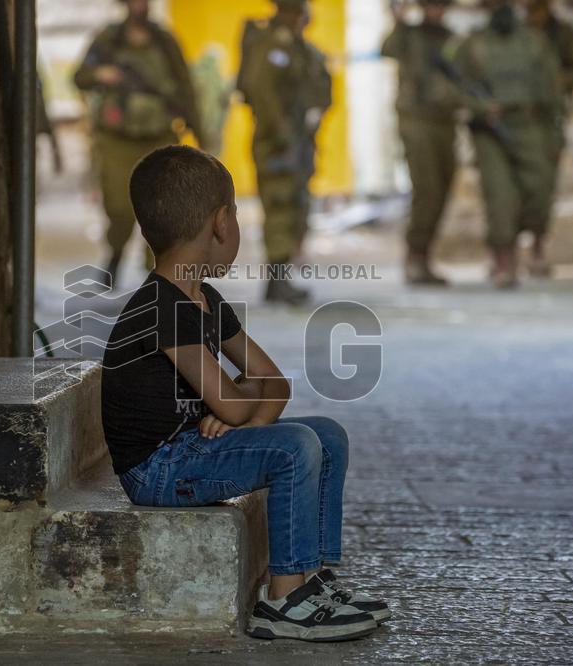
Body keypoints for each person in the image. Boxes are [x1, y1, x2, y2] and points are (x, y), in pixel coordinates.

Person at [101, 145, 390, 641]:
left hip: (192, 447)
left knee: (327, 435)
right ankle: (283, 601)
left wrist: (248, 420)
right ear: (221, 223)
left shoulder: (206, 299)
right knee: (294, 447)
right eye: (235, 215)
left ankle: (313, 580)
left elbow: (274, 382)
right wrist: (240, 409)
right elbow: (236, 401)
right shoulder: (162, 308)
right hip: (158, 468)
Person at [74, 0, 202, 287]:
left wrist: (200, 132)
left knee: (162, 208)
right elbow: (80, 76)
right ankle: (115, 258)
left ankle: (157, 274)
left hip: (159, 137)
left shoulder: (164, 41)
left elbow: (185, 87)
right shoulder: (109, 39)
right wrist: (100, 74)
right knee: (119, 207)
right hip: (117, 141)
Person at [450, 0, 560, 288]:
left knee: (539, 189)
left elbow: (552, 89)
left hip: (530, 125)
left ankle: (535, 246)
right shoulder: (472, 45)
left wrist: (555, 135)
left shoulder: (534, 42)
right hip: (490, 131)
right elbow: (452, 85)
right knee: (500, 197)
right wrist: (480, 106)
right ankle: (503, 261)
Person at [237, 0, 331, 305]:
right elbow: (261, 91)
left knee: (296, 207)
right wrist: (282, 133)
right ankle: (276, 282)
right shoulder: (272, 45)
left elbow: (321, 86)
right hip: (276, 141)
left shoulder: (302, 48)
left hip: (299, 140)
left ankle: (282, 277)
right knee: (280, 206)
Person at [381, 0, 459, 286]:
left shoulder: (450, 39)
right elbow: (387, 49)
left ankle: (424, 256)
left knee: (442, 188)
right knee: (426, 188)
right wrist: (398, 18)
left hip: (445, 121)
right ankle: (415, 255)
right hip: (416, 122)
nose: (435, 11)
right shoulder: (408, 35)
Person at [525, 0, 573, 276]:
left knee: (543, 186)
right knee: (507, 190)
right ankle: (504, 254)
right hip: (514, 120)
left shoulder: (563, 34)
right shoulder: (514, 31)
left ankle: (537, 247)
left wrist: (556, 81)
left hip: (547, 120)